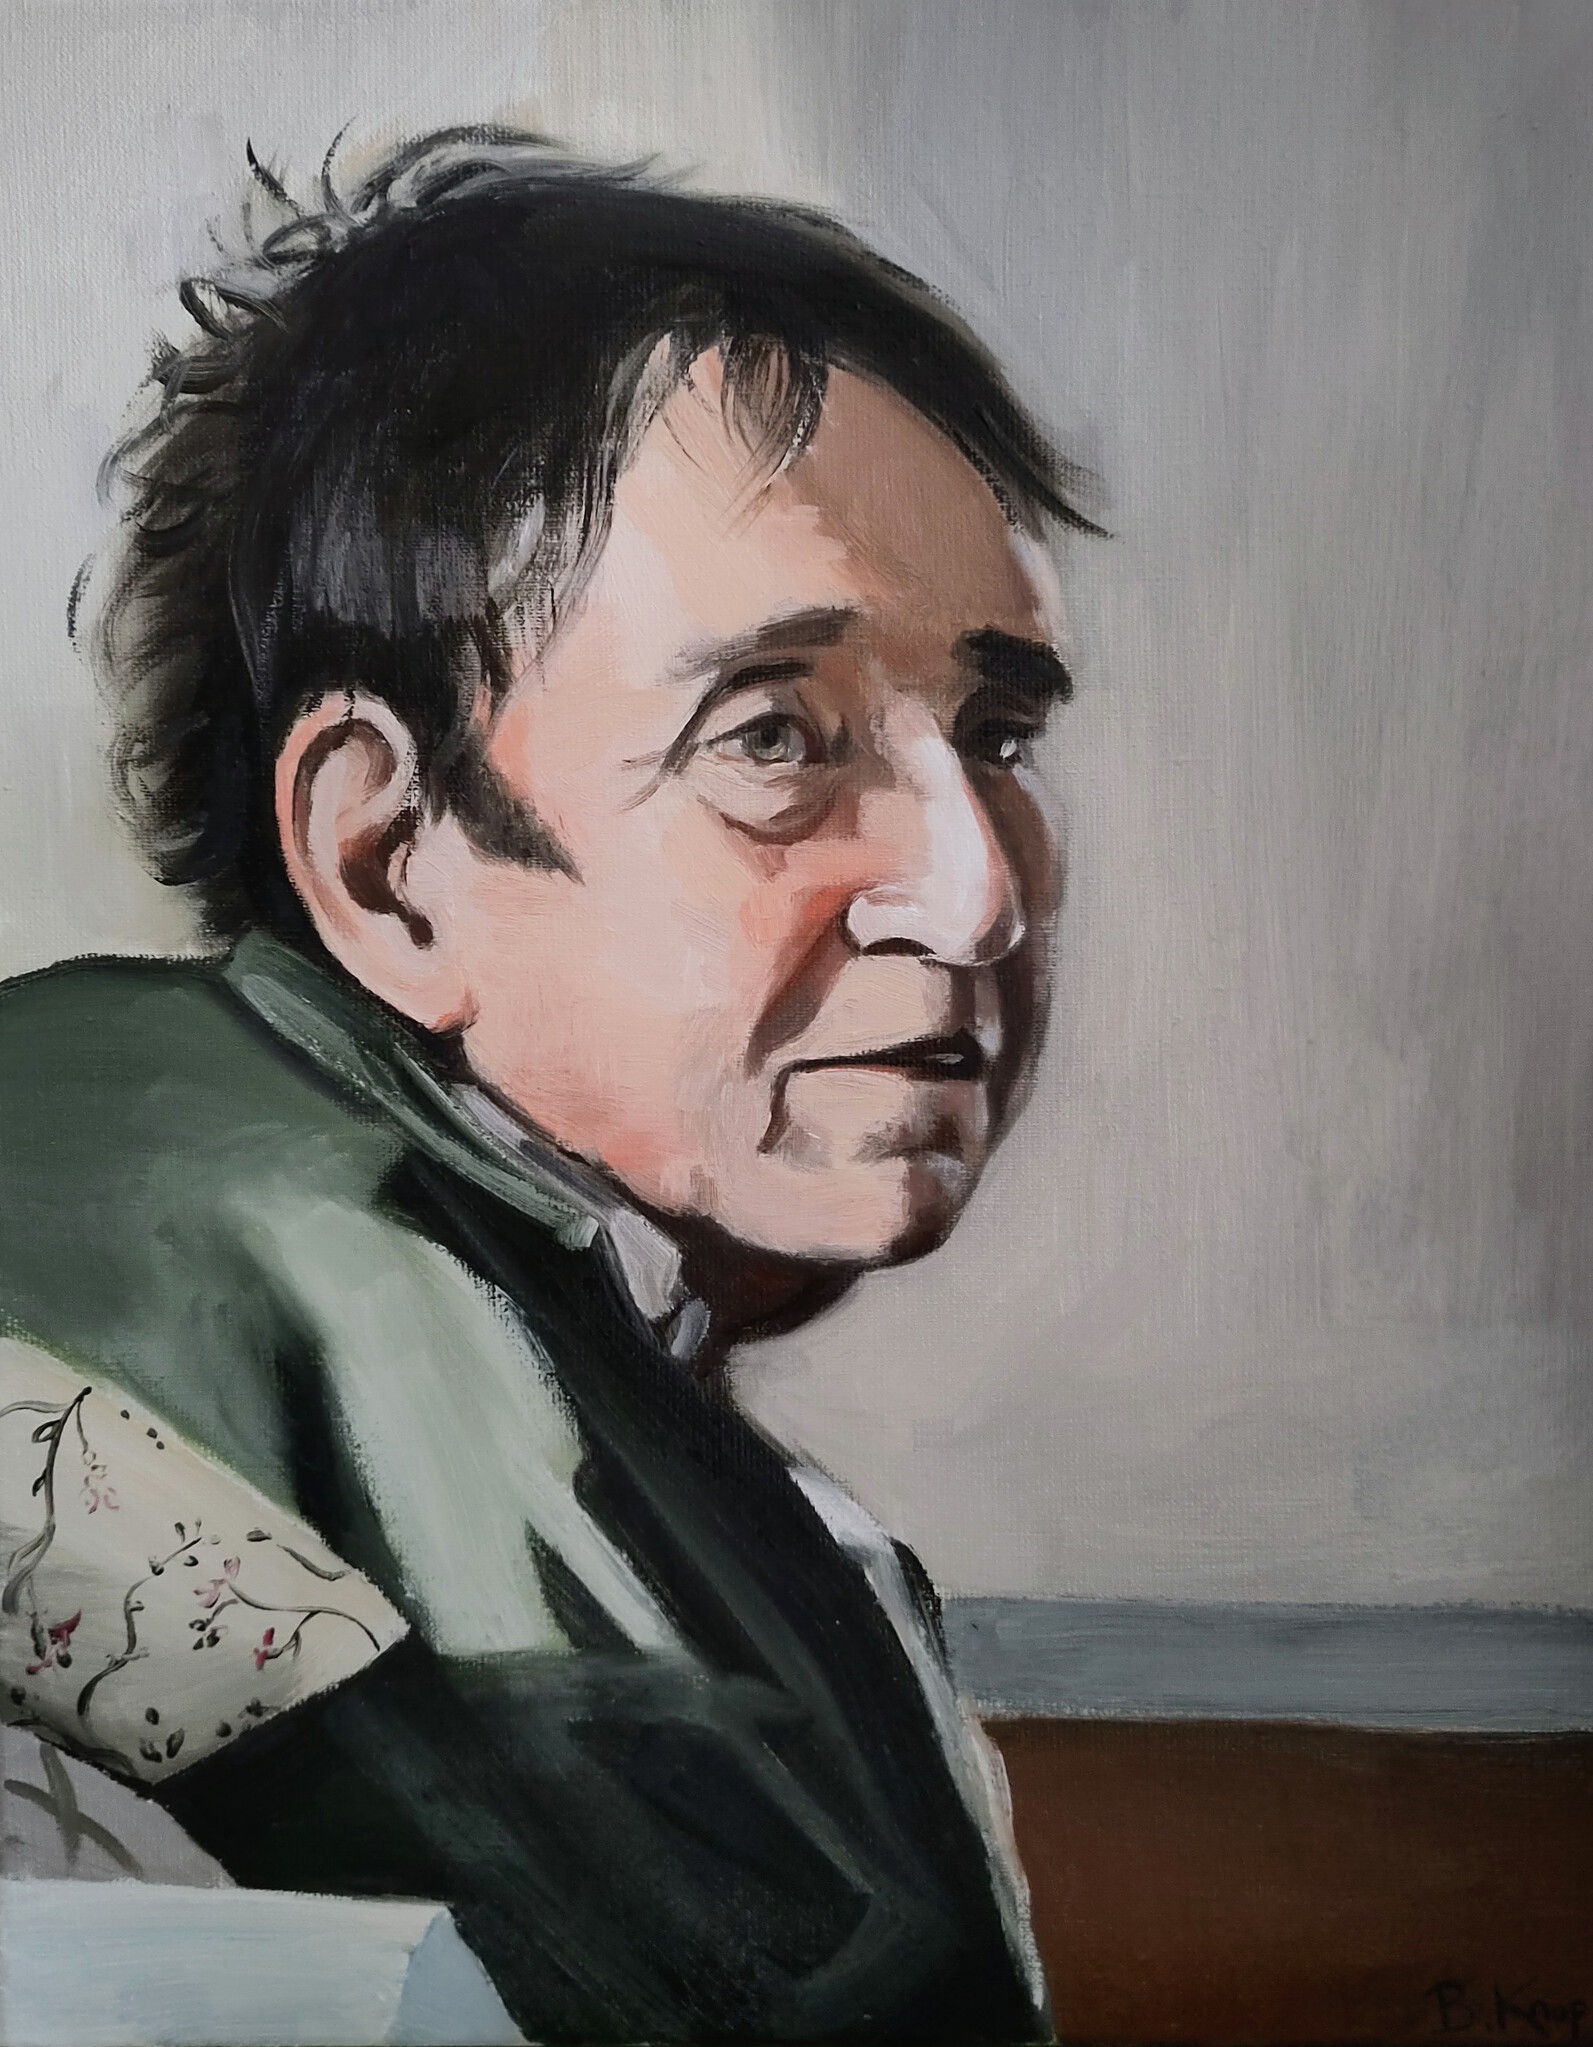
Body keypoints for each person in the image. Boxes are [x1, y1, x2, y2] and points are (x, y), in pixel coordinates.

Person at [0, 128, 1093, 2042]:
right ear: (386, 859)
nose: (975, 891)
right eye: (776, 736)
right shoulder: (188, 1371)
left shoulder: (686, 1456)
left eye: (996, 732)